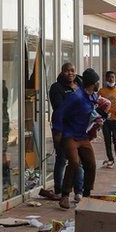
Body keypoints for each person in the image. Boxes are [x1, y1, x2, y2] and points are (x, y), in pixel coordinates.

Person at [51, 68, 102, 209]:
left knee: (91, 163)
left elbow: (92, 111)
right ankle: (65, 195)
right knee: (74, 162)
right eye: (97, 81)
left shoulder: (93, 96)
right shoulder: (75, 97)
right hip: (69, 135)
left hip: (82, 135)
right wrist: (58, 132)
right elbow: (59, 113)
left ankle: (86, 194)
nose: (99, 84)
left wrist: (97, 119)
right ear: (92, 83)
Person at [40, 63, 84, 201]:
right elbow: (60, 108)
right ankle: (59, 190)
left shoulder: (79, 86)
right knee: (62, 159)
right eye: (67, 71)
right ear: (62, 72)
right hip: (62, 129)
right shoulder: (56, 88)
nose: (70, 73)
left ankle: (78, 192)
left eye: (72, 70)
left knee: (78, 161)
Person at [98, 71, 116, 168]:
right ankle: (110, 160)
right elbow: (98, 104)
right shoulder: (101, 91)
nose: (111, 79)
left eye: (112, 77)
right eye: (108, 77)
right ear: (106, 79)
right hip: (106, 120)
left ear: (115, 78)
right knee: (107, 140)